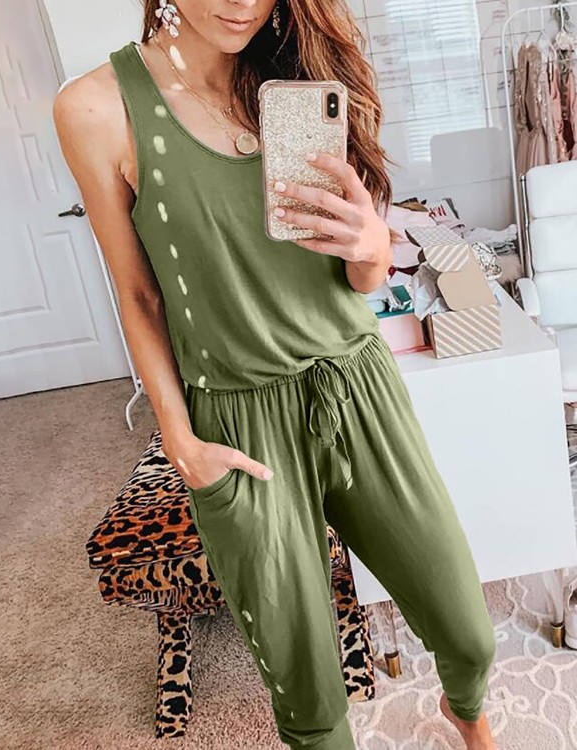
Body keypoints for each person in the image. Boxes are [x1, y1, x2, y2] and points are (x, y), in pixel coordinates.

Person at [53, 2, 498, 748]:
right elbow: (139, 295)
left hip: (357, 388)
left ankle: (470, 715)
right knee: (306, 688)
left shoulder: (303, 73)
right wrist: (180, 443)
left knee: (467, 628)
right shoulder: (96, 108)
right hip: (239, 418)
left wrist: (373, 248)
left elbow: (358, 281)